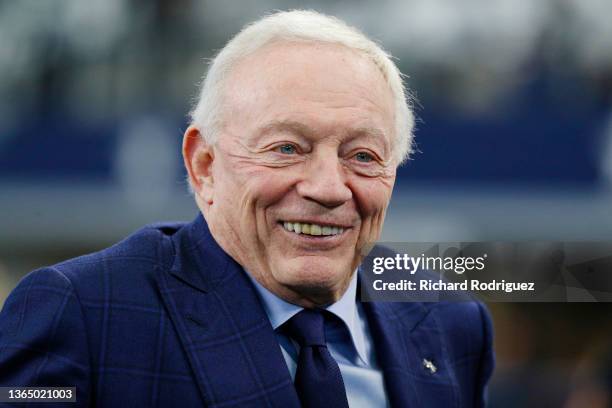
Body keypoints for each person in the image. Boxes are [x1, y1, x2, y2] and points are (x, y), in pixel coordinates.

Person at [0, 10, 494, 407]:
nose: (328, 188)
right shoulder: (84, 312)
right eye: (286, 148)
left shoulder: (450, 320)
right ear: (205, 165)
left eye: (362, 156)